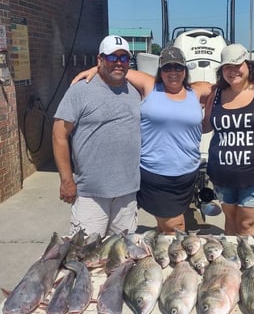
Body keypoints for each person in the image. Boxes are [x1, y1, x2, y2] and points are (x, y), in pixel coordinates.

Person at [72, 46, 214, 235]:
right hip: (154, 172)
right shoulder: (150, 85)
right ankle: (173, 258)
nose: (173, 72)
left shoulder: (197, 91)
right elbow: (118, 69)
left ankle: (162, 255)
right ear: (160, 70)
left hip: (186, 174)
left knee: (166, 225)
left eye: (178, 67)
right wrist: (95, 69)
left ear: (185, 70)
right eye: (167, 68)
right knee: (176, 226)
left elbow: (228, 86)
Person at [52, 35, 142, 237]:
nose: (118, 62)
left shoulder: (135, 91)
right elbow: (59, 135)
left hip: (127, 194)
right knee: (86, 257)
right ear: (100, 60)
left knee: (121, 258)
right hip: (90, 195)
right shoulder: (80, 90)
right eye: (112, 57)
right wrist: (66, 180)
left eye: (124, 58)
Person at [202, 44, 254, 236]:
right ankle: (230, 264)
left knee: (246, 224)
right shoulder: (217, 94)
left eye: (238, 64)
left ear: (249, 65)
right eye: (227, 66)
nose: (233, 71)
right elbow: (206, 125)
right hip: (222, 174)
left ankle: (249, 264)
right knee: (230, 219)